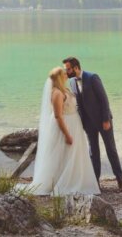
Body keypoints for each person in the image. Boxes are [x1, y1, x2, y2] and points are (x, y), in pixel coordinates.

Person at [28, 67, 99, 195]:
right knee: (63, 154)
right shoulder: (57, 93)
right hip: (66, 126)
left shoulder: (64, 89)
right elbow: (58, 116)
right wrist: (67, 134)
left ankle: (76, 179)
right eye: (64, 73)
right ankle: (63, 182)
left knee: (72, 154)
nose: (67, 74)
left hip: (74, 124)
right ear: (59, 77)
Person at [63, 56, 122, 190]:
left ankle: (120, 180)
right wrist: (82, 123)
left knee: (111, 150)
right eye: (66, 69)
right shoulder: (72, 82)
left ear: (76, 67)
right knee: (93, 152)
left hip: (103, 121)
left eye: (68, 69)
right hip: (88, 123)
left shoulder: (92, 78)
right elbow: (79, 104)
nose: (66, 72)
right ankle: (95, 182)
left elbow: (104, 100)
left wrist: (106, 119)